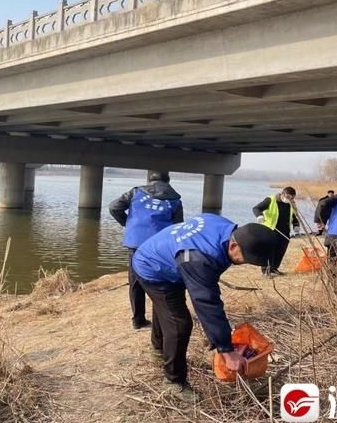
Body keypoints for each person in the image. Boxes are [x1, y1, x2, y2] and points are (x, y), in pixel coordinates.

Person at [131, 215, 276, 400]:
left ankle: (158, 349)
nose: (243, 264)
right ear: (234, 246)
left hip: (165, 255)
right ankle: (173, 381)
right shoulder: (200, 259)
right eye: (245, 260)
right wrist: (226, 349)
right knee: (179, 324)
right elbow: (207, 303)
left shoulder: (224, 227)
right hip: (152, 268)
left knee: (167, 309)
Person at [109, 171, 183, 330]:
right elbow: (178, 228)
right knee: (162, 280)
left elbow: (114, 207)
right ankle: (161, 318)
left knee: (136, 282)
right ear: (168, 181)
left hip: (136, 243)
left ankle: (138, 320)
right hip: (160, 246)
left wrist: (127, 223)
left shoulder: (135, 192)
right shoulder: (175, 199)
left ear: (150, 180)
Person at [252, 187, 299, 276]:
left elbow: (294, 216)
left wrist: (296, 225)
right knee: (269, 250)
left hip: (285, 231)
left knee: (281, 250)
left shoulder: (291, 203)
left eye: (292, 197)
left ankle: (274, 268)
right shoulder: (271, 200)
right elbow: (256, 208)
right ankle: (266, 270)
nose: (290, 199)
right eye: (288, 196)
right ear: (283, 193)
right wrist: (259, 216)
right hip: (271, 229)